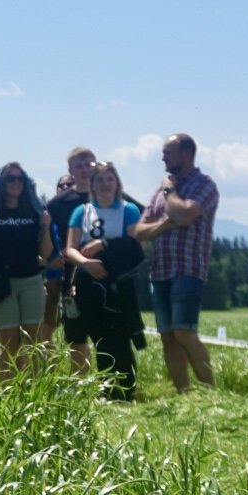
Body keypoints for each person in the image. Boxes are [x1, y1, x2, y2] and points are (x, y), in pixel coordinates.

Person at [135, 133, 218, 393]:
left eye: (168, 153)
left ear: (186, 153)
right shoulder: (160, 191)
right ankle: (184, 392)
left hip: (188, 269)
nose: (163, 158)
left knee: (184, 332)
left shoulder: (204, 185)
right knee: (168, 336)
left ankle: (210, 392)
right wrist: (164, 224)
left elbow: (184, 214)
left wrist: (170, 192)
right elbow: (140, 231)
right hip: (159, 271)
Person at [63, 162, 146, 400]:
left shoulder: (129, 210)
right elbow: (70, 249)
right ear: (92, 184)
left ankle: (126, 389)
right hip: (89, 282)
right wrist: (85, 263)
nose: (105, 184)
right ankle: (107, 389)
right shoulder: (82, 212)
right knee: (99, 336)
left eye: (109, 179)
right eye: (99, 180)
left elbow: (135, 246)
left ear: (117, 183)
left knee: (121, 335)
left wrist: (105, 244)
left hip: (118, 284)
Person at [0, 163, 52, 383]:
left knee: (33, 340)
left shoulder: (34, 211)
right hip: (1, 282)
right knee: (9, 340)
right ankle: (9, 388)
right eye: (10, 179)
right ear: (1, 183)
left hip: (31, 280)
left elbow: (45, 253)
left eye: (20, 179)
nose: (16, 183)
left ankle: (35, 387)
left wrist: (46, 227)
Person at [46, 148, 97, 368]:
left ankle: (112, 381)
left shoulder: (111, 195)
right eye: (79, 166)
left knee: (110, 331)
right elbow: (47, 235)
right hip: (72, 277)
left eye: (89, 165)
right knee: (76, 333)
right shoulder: (57, 204)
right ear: (70, 170)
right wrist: (52, 257)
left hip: (107, 273)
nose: (84, 170)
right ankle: (80, 381)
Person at [39, 174, 76, 345]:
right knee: (47, 323)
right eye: (62, 185)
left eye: (70, 184)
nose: (65, 187)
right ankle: (48, 358)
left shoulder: (81, 213)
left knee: (74, 325)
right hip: (50, 278)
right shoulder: (48, 214)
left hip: (73, 277)